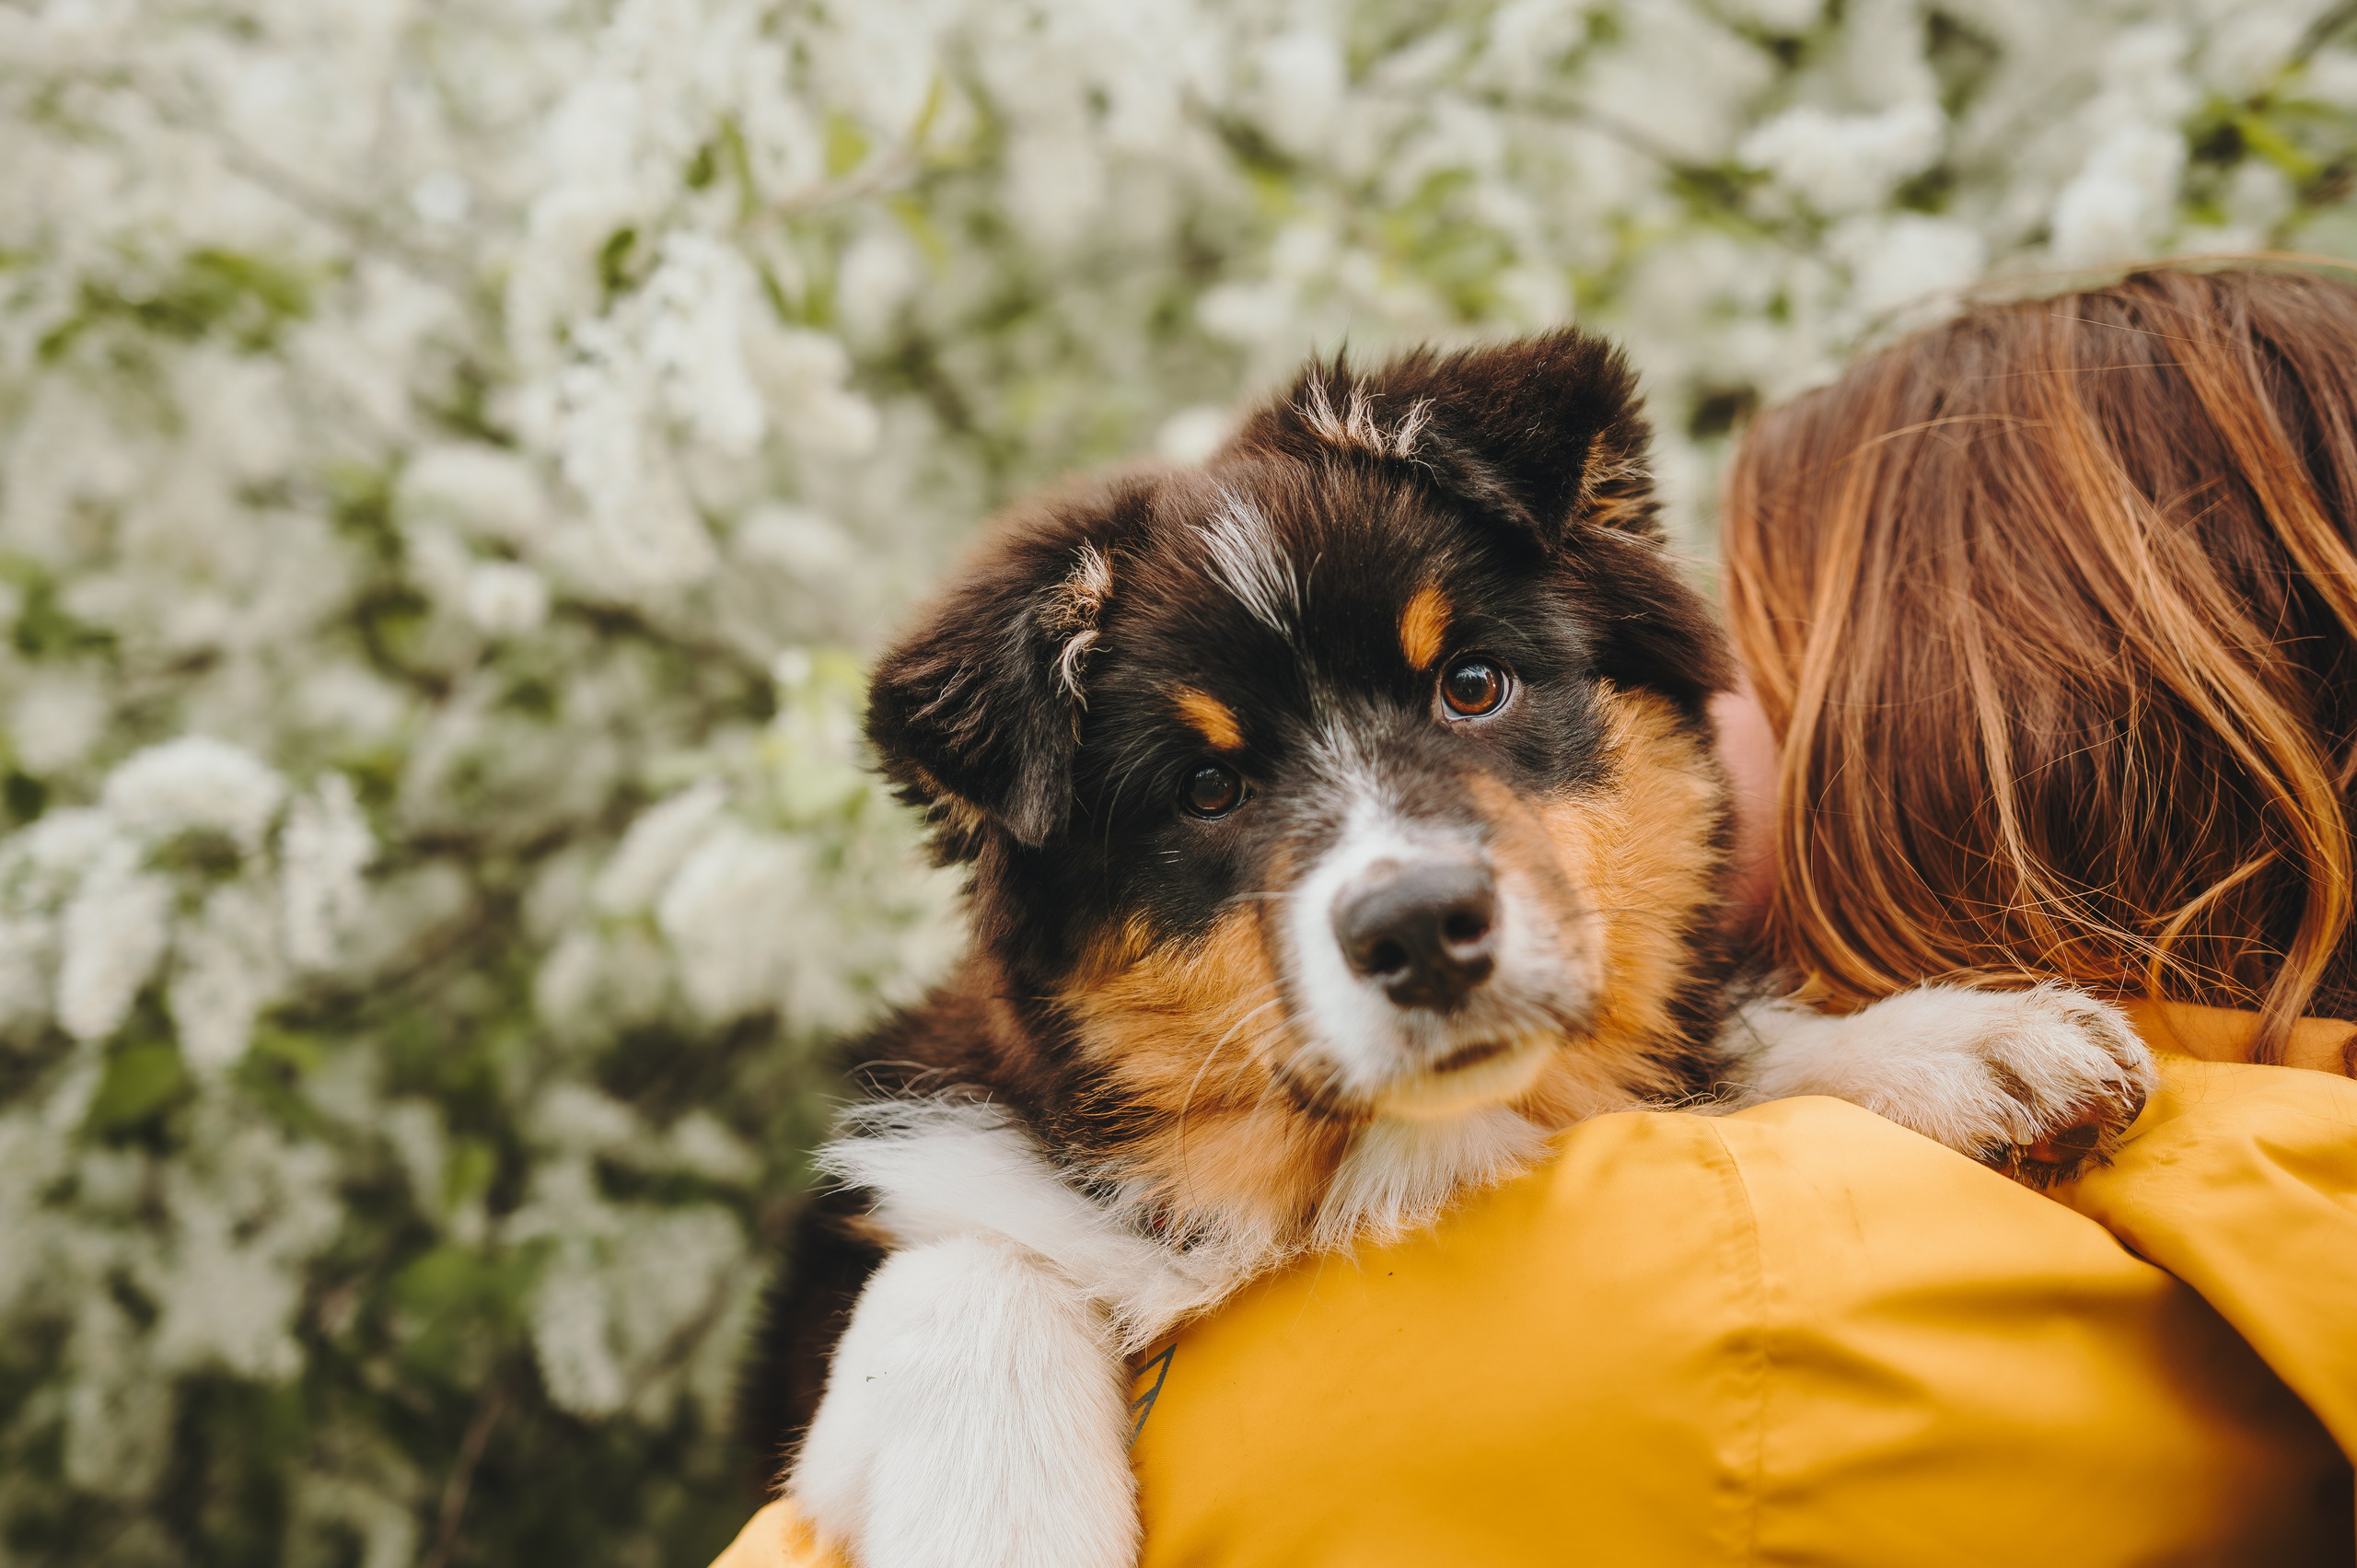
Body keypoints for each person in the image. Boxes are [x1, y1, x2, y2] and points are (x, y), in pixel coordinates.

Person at [713, 263, 2357, 1568]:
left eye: (1477, 684)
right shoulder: (2253, 1193)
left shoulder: (1723, 1294)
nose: (1398, 869)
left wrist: (1802, 1064)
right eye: (1207, 794)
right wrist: (969, 1315)